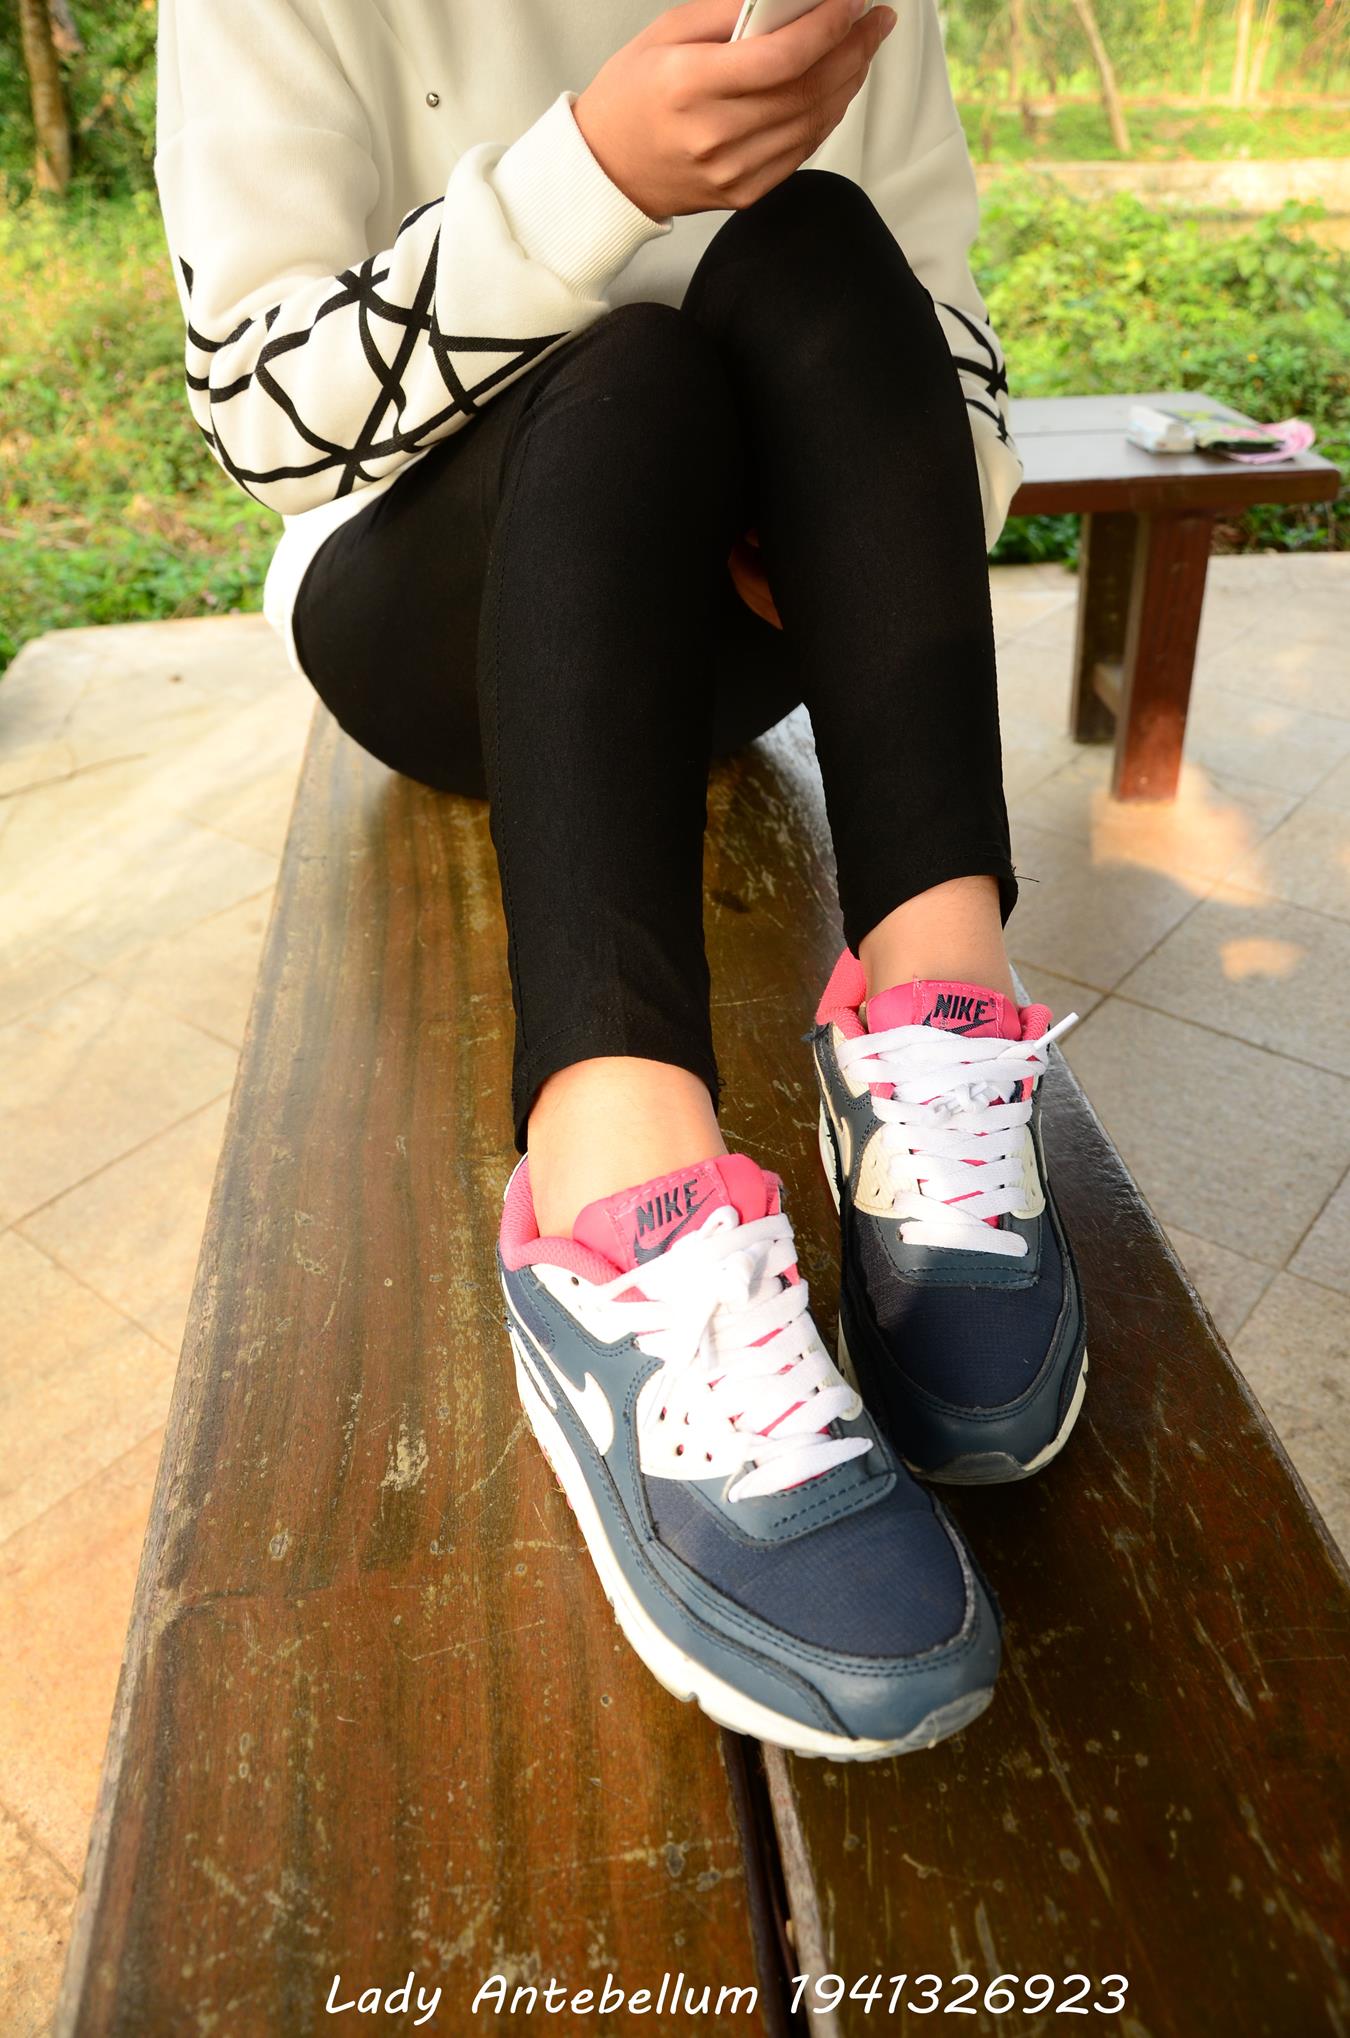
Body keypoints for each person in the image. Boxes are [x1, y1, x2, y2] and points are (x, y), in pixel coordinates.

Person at [154, 0, 1087, 1761]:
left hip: (735, 610)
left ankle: (935, 1025)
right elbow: (267, 421)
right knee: (631, 374)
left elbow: (941, 344)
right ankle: (616, 1229)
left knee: (823, 240)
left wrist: (846, 513)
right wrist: (592, 177)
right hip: (433, 614)